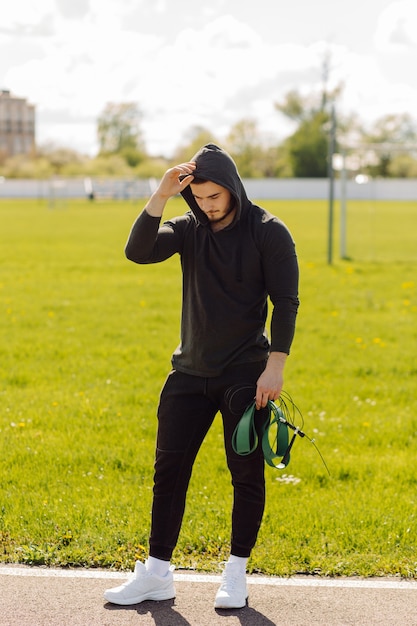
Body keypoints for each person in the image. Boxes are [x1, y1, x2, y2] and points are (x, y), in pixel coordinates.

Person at [104, 144, 299, 609]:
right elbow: (138, 251)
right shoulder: (189, 228)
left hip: (244, 376)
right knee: (168, 473)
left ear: (232, 189)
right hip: (188, 374)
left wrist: (275, 367)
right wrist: (162, 194)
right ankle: (156, 573)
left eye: (216, 197)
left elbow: (285, 302)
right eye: (201, 198)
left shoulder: (269, 232)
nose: (208, 206)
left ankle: (235, 573)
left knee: (245, 473)